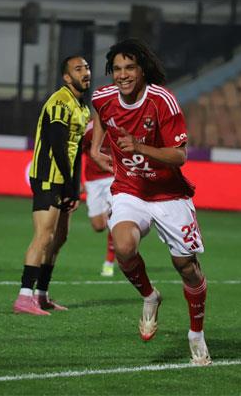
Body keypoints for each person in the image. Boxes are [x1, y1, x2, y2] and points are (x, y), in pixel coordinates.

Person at [90, 39, 211, 365]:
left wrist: (140, 147)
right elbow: (100, 112)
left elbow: (180, 155)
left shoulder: (162, 101)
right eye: (117, 69)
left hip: (169, 195)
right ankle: (150, 295)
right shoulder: (103, 97)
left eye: (130, 68)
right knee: (123, 246)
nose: (123, 75)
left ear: (142, 70)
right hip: (129, 189)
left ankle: (196, 333)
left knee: (186, 267)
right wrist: (96, 148)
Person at [13, 56, 91, 316]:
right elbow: (57, 145)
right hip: (48, 176)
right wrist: (69, 185)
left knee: (59, 238)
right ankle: (24, 297)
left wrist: (75, 187)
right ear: (67, 78)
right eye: (78, 69)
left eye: (87, 68)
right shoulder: (60, 102)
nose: (85, 72)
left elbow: (76, 151)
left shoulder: (83, 108)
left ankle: (42, 295)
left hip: (65, 180)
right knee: (44, 236)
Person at [82, 120, 116, 277]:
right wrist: (78, 182)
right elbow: (78, 153)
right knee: (98, 226)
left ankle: (109, 262)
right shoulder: (89, 129)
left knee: (114, 219)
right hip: (93, 181)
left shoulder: (121, 127)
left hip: (113, 177)